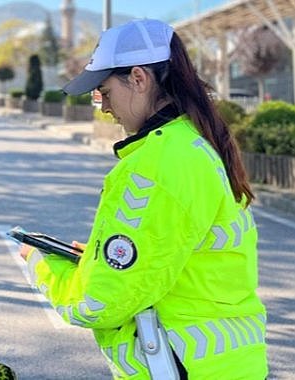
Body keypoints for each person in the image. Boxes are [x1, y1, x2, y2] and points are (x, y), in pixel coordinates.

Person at [19, 19, 268, 379]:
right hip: (229, 364)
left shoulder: (157, 166)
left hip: (184, 368)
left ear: (138, 78)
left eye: (103, 91)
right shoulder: (194, 143)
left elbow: (97, 304)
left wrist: (40, 265)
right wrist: (94, 260)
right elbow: (175, 259)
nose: (102, 107)